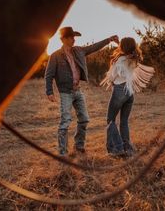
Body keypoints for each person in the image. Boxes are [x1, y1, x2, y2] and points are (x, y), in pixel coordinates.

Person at [45, 26, 119, 155]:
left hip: (77, 90)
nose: (74, 39)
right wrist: (49, 92)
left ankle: (79, 146)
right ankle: (62, 152)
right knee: (65, 122)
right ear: (64, 39)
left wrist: (109, 40)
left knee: (84, 119)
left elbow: (94, 47)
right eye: (71, 37)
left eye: (74, 37)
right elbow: (49, 75)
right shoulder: (55, 56)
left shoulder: (79, 51)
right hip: (65, 92)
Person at [101, 37, 154, 157]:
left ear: (122, 47)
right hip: (129, 93)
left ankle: (116, 149)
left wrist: (111, 79)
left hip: (119, 90)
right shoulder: (134, 59)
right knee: (124, 121)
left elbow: (113, 76)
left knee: (110, 120)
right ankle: (128, 149)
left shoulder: (120, 60)